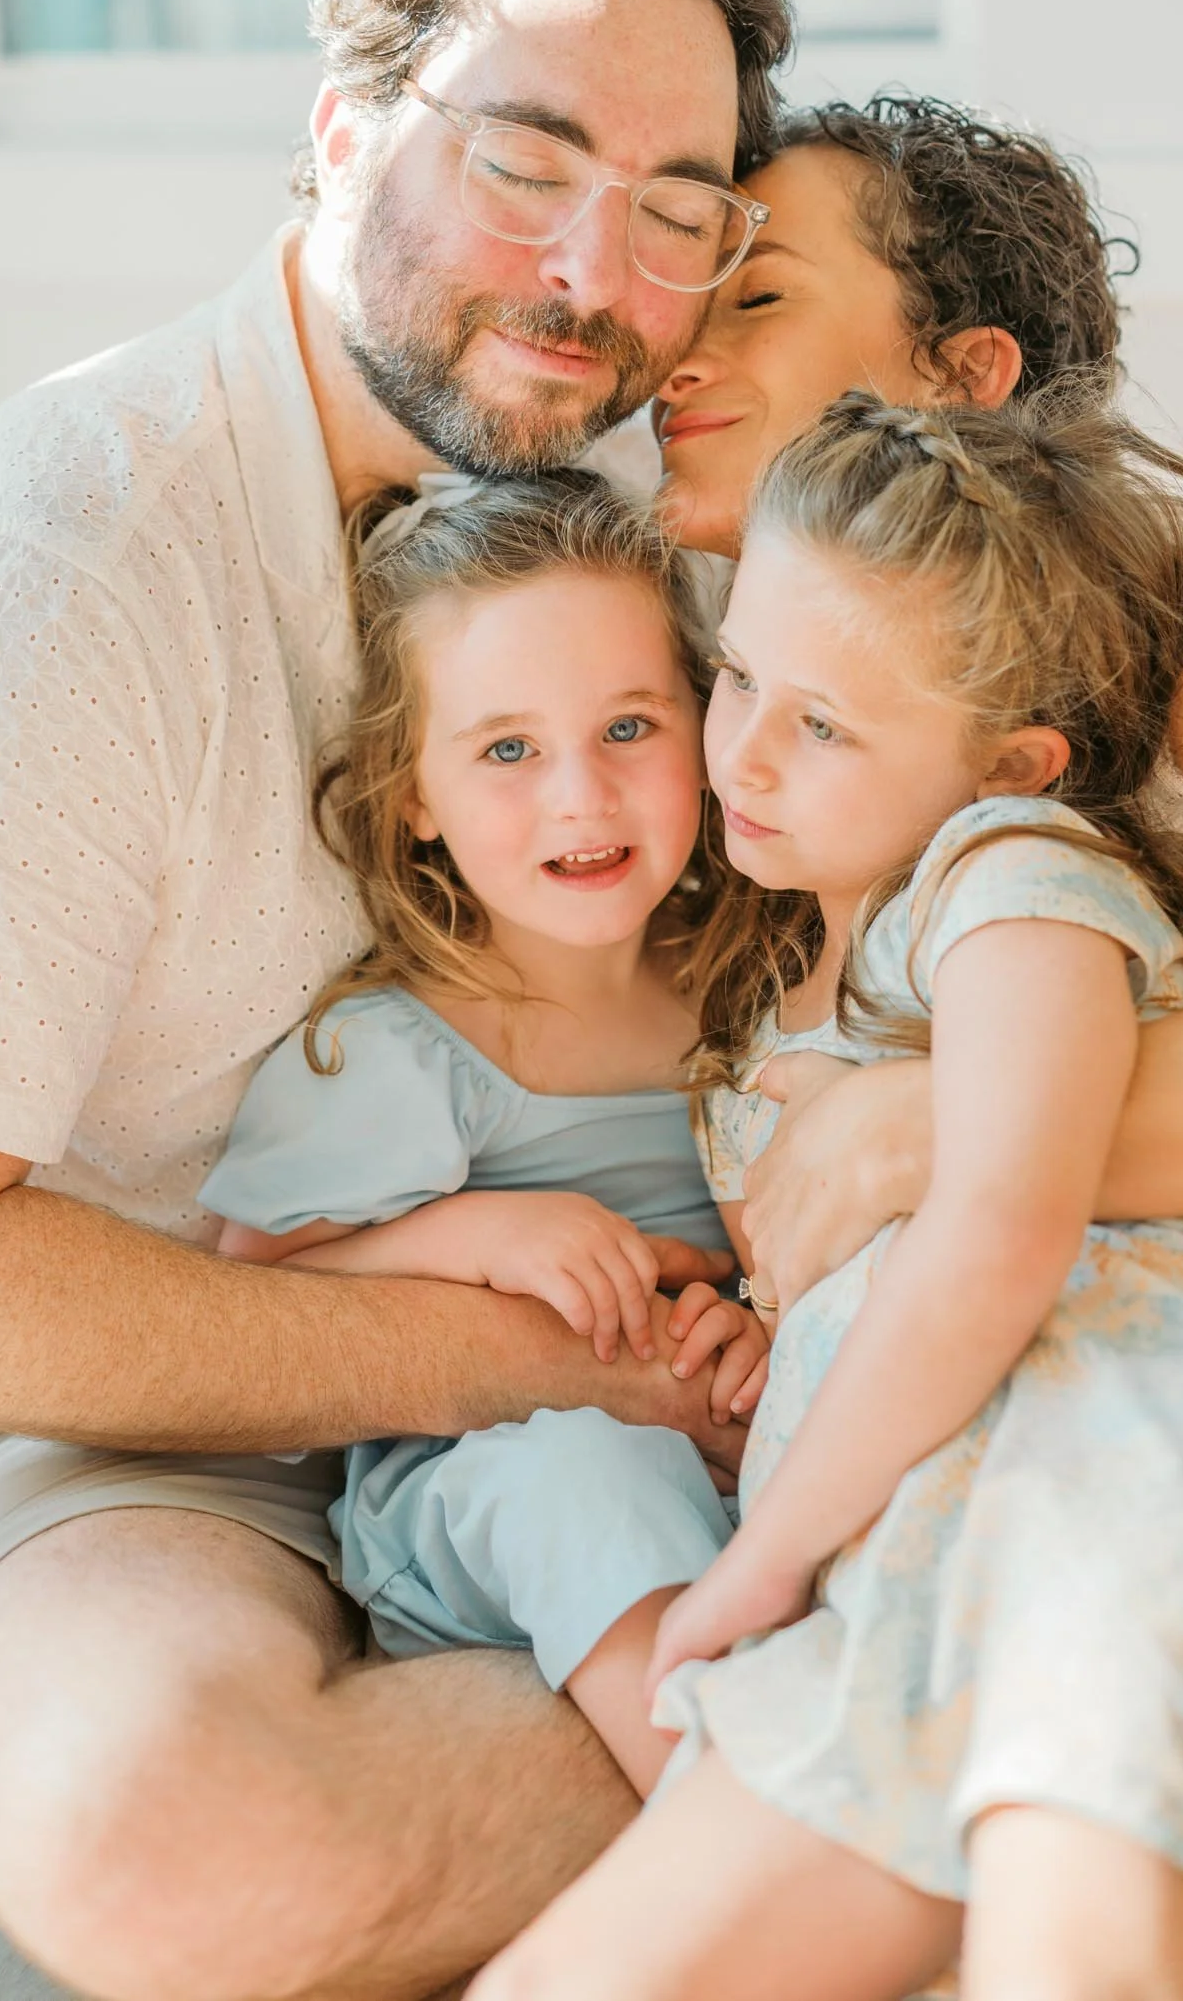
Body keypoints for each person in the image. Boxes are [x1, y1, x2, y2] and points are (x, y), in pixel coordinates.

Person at [0, 0, 792, 2001]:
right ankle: (865, 1784)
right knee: (170, 1845)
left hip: (677, 1353)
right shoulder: (78, 554)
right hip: (135, 1392)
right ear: (337, 133)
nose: (593, 274)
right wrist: (521, 1362)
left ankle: (844, 1768)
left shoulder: (647, 493)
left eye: (677, 210)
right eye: (523, 164)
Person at [471, 393, 1183, 2001]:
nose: (740, 750)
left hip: (1137, 1483)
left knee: (1078, 1957)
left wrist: (756, 1566)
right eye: (738, 675)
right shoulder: (760, 1004)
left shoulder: (1013, 877)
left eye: (821, 724)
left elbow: (999, 1225)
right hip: (913, 1565)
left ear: (1005, 762)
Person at [654, 95, 1183, 1347]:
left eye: (758, 298)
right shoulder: (709, 706)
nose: (676, 358)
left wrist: (917, 1128)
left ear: (965, 375)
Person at [203, 473, 769, 1799]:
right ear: (414, 795)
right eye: (507, 750)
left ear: (707, 729)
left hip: (721, 1459)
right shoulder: (403, 1048)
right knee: (591, 1466)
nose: (582, 796)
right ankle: (718, 1818)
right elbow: (246, 1299)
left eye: (630, 725)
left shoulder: (757, 987)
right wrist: (473, 1232)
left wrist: (757, 1327)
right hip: (479, 1495)